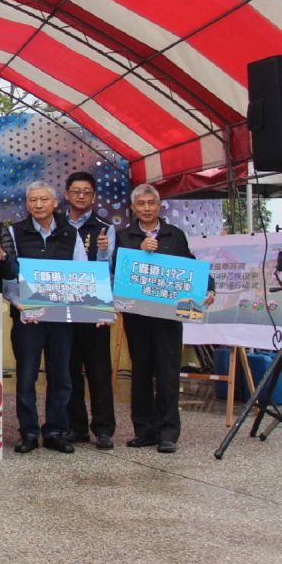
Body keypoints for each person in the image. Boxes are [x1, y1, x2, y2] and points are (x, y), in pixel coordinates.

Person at [113, 183, 215, 454]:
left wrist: (209, 286)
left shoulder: (175, 235)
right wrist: (140, 252)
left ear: (159, 206)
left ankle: (168, 432)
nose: (146, 208)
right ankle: (144, 431)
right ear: (133, 208)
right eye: (141, 204)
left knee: (168, 373)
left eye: (151, 203)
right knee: (141, 374)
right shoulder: (124, 236)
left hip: (169, 317)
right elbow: (116, 270)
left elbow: (190, 266)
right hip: (138, 316)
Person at [7, 181, 87, 454]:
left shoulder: (70, 234)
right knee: (26, 376)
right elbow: (9, 276)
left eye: (43, 199)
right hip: (27, 319)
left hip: (61, 319)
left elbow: (82, 274)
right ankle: (28, 431)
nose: (38, 205)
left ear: (55, 203)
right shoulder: (15, 232)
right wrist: (20, 306)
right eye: (32, 200)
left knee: (61, 376)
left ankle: (55, 430)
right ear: (26, 204)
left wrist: (93, 308)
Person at [59, 171, 117, 449]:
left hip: (94, 308)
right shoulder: (56, 225)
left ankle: (104, 429)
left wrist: (104, 252)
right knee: (68, 369)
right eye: (76, 191)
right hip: (62, 306)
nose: (81, 196)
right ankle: (76, 426)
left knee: (99, 370)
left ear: (93, 197)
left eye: (87, 192)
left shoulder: (105, 228)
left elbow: (109, 273)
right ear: (66, 194)